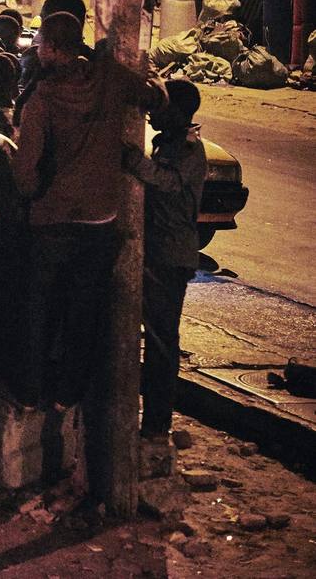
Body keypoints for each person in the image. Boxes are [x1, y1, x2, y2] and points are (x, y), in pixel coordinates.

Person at [11, 11, 165, 408]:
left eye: (41, 43)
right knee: (83, 310)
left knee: (38, 308)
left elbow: (25, 171)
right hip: (100, 219)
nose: (37, 49)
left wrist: (30, 196)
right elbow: (153, 97)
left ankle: (31, 392)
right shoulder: (109, 78)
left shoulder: (42, 100)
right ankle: (68, 393)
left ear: (55, 49)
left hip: (53, 221)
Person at [122, 79, 206, 443]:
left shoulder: (189, 149)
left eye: (161, 105)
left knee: (160, 344)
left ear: (178, 112)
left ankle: (157, 424)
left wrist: (134, 162)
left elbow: (167, 183)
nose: (153, 110)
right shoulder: (168, 142)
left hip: (170, 254)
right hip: (158, 249)